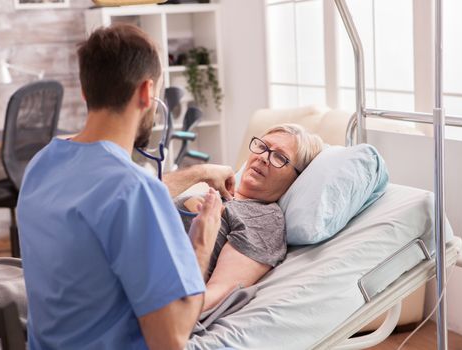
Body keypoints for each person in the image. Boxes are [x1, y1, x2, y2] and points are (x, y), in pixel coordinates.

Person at [17, 23, 234, 350]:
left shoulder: (42, 164)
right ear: (147, 92)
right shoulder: (135, 191)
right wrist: (202, 241)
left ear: (84, 89)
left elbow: (105, 195)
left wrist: (199, 172)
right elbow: (171, 338)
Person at [179, 124, 324, 311]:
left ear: (296, 179)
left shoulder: (263, 220)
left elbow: (218, 293)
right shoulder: (220, 192)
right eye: (262, 147)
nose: (264, 158)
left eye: (280, 157)